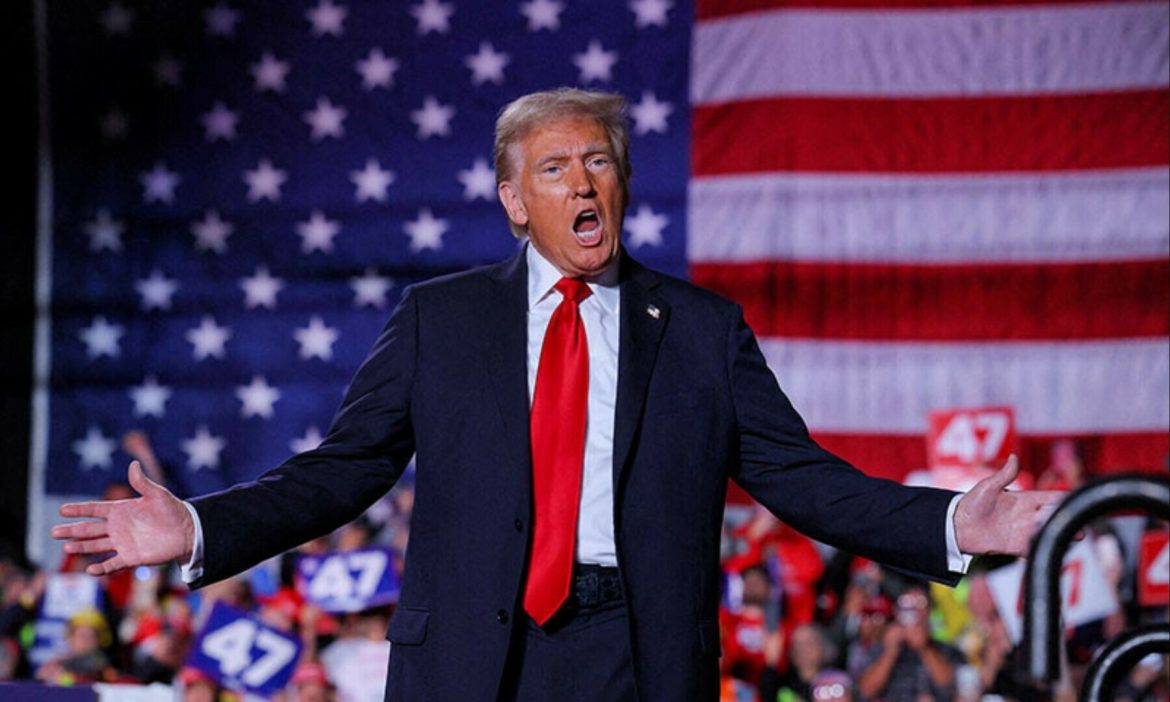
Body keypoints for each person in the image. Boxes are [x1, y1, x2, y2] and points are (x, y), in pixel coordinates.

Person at [52, 87, 1060, 702]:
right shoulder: (441, 319)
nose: (585, 184)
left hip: (635, 653)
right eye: (556, 168)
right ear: (513, 200)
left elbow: (800, 480)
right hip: (471, 660)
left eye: (600, 163)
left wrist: (950, 524)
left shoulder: (700, 329)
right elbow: (342, 470)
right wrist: (199, 529)